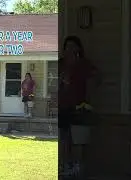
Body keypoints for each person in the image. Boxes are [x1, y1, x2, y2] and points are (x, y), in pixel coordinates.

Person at [58, 36, 101, 177]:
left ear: (78, 48)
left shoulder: (84, 64)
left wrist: (89, 99)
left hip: (80, 106)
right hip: (63, 106)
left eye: (73, 46)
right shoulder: (60, 64)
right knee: (64, 138)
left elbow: (96, 79)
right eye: (67, 46)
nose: (69, 49)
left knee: (79, 140)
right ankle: (65, 166)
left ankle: (77, 168)